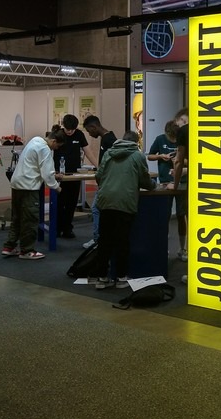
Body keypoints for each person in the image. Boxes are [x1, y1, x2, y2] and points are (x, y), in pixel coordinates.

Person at [92, 130, 155, 289]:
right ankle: (121, 278)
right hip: (125, 202)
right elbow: (145, 180)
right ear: (136, 142)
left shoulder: (108, 153)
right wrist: (154, 185)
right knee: (122, 241)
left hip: (106, 200)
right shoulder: (138, 156)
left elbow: (99, 175)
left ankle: (101, 278)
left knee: (104, 240)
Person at [1, 128, 66, 260]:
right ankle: (27, 250)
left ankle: (9, 247)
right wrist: (57, 187)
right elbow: (47, 174)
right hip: (29, 187)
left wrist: (52, 175)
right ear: (53, 141)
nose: (56, 148)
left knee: (17, 217)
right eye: (57, 145)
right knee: (30, 219)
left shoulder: (35, 140)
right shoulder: (45, 149)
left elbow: (36, 166)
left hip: (17, 183)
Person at [81, 115, 118, 250]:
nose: (90, 134)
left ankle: (98, 239)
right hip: (106, 182)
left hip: (107, 183)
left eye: (89, 131)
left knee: (96, 209)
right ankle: (101, 238)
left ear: (94, 127)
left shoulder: (109, 140)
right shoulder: (106, 139)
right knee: (99, 210)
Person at [147, 119, 182, 257]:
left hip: (181, 183)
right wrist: (161, 156)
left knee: (181, 215)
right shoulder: (160, 139)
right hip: (165, 181)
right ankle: (163, 247)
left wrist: (178, 160)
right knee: (164, 215)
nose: (172, 140)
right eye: (170, 137)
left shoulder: (182, 140)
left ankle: (183, 249)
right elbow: (150, 156)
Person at [53, 114, 89, 239]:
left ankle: (68, 228)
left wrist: (98, 166)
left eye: (72, 130)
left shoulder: (79, 134)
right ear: (63, 126)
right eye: (68, 129)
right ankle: (57, 228)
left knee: (72, 203)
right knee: (59, 202)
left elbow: (88, 151)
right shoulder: (58, 134)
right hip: (59, 174)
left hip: (74, 174)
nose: (70, 132)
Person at [168, 108, 189, 282]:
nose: (178, 125)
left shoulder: (184, 132)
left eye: (180, 121)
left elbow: (179, 161)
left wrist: (174, 185)